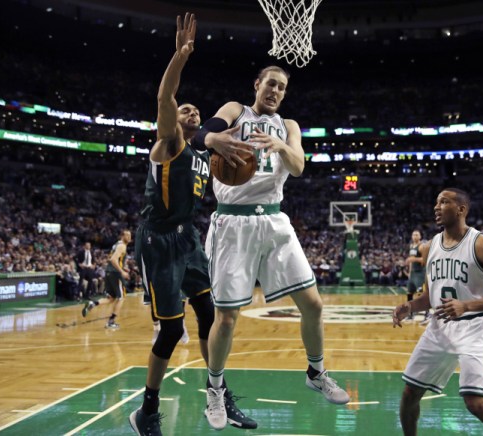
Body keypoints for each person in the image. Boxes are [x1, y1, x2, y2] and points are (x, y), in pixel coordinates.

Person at [195, 65, 351, 430]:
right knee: (228, 317)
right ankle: (215, 390)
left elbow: (297, 167)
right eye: (270, 84)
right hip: (233, 223)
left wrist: (280, 144)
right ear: (257, 85)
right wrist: (212, 141)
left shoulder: (290, 126)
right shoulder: (236, 110)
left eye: (281, 88)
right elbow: (202, 133)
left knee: (313, 304)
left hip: (275, 221)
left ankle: (316, 372)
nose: (275, 91)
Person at [128, 14, 256, 435]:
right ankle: (146, 411)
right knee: (171, 331)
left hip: (189, 241)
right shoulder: (168, 142)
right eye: (186, 109)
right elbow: (165, 96)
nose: (191, 110)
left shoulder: (205, 156)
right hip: (159, 241)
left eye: (195, 109)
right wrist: (180, 57)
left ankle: (218, 396)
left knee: (209, 313)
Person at [392, 188, 483, 436]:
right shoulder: (428, 247)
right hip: (440, 327)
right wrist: (410, 307)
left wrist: (466, 305)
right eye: (436, 202)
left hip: (474, 327)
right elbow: (431, 296)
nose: (437, 207)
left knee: (477, 403)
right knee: (410, 393)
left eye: (444, 202)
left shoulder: (482, 244)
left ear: (461, 209)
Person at [82, 229, 131, 329]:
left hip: (109, 272)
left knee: (111, 298)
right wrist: (122, 272)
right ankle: (111, 322)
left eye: (130, 236)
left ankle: (93, 303)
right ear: (122, 236)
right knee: (121, 297)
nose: (130, 237)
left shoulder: (115, 244)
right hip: (115, 274)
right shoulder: (122, 246)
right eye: (127, 235)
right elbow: (113, 259)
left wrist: (122, 267)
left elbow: (112, 259)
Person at [405, 229, 430, 324]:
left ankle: (427, 314)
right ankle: (410, 314)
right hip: (413, 274)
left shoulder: (421, 246)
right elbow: (411, 261)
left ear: (420, 237)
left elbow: (425, 260)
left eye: (417, 234)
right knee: (409, 294)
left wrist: (414, 259)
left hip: (420, 273)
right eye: (413, 234)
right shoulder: (411, 246)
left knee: (421, 295)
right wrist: (409, 273)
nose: (415, 236)